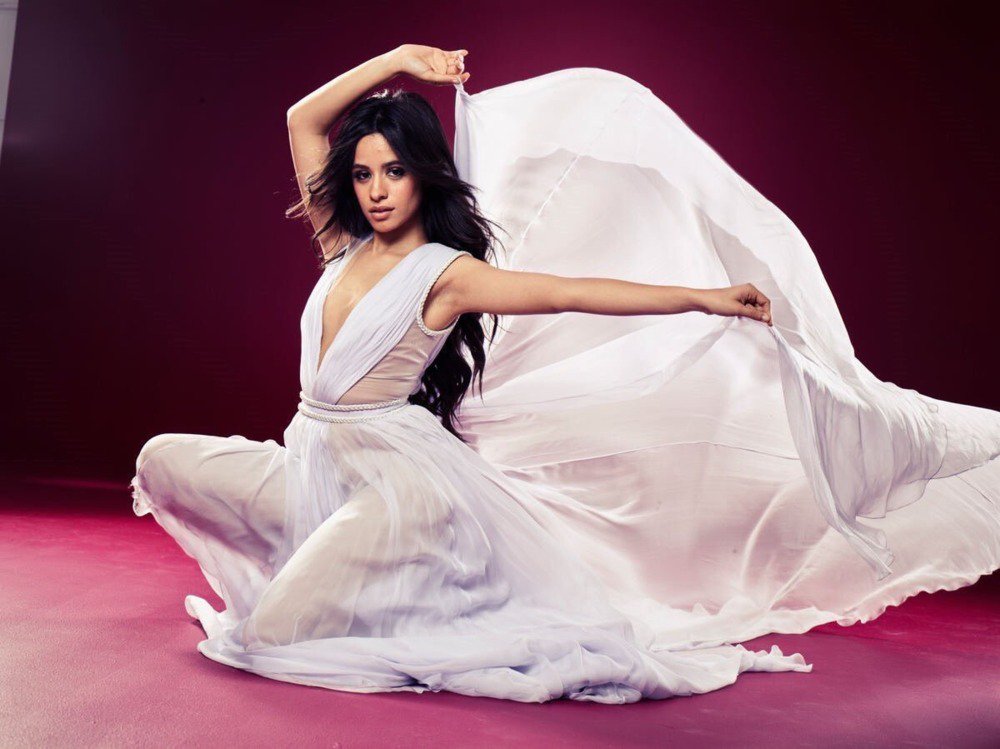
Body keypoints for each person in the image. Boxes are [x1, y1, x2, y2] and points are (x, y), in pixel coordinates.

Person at [131, 44, 1000, 703]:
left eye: (394, 171)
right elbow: (301, 120)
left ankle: (362, 571)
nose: (377, 190)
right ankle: (336, 561)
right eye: (363, 175)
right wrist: (398, 61)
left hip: (397, 487)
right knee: (161, 458)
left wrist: (705, 297)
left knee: (268, 634)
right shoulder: (340, 242)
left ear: (424, 174)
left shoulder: (445, 272)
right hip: (315, 463)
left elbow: (571, 290)